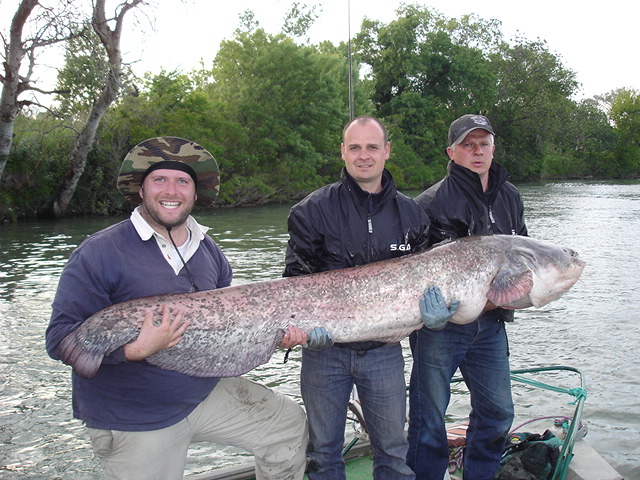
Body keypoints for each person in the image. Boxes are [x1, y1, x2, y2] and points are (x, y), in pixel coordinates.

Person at [46, 136, 329, 480]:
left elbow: (226, 331)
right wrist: (134, 351)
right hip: (134, 414)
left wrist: (274, 335)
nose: (172, 190)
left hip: (202, 392)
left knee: (286, 424)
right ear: (141, 190)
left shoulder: (209, 251)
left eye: (182, 181)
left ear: (195, 194)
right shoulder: (99, 252)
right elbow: (62, 340)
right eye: (159, 180)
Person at [283, 116, 456, 479]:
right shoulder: (310, 211)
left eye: (372, 147)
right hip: (323, 353)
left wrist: (437, 314)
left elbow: (432, 282)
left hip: (384, 353)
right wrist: (302, 329)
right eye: (356, 147)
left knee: (394, 452)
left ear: (387, 151)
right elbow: (294, 282)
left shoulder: (413, 214)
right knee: (323, 453)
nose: (365, 155)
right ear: (343, 152)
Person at [407, 114, 528, 480]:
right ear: (452, 151)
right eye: (467, 144)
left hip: (491, 327)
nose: (477, 151)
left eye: (483, 143)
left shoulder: (511, 197)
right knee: (429, 420)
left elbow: (524, 255)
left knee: (497, 414)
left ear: (493, 147)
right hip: (438, 330)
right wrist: (429, 313)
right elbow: (410, 273)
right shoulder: (428, 202)